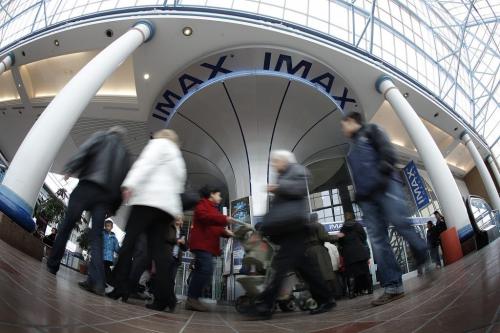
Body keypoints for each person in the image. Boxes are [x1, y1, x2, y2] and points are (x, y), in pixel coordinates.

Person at [341, 111, 428, 306]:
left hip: (386, 186)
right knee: (378, 241)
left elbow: (387, 153)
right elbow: (358, 177)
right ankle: (393, 286)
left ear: (352, 121)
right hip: (368, 200)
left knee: (400, 224)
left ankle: (422, 251)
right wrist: (359, 195)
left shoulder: (372, 130)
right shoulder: (351, 151)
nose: (343, 129)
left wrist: (381, 174)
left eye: (343, 124)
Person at [250, 151, 336, 319]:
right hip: (288, 228)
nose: (274, 164)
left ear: (285, 160)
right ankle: (326, 299)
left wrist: (279, 188)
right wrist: (262, 230)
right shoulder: (282, 177)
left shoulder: (297, 170)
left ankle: (265, 304)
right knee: (304, 267)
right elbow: (276, 211)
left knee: (281, 265)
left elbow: (301, 188)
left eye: (276, 161)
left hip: (294, 226)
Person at [108, 129, 186, 312]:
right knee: (159, 255)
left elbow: (144, 164)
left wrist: (129, 184)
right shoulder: (178, 158)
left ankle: (120, 288)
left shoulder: (157, 144)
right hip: (165, 209)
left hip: (146, 203)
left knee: (128, 245)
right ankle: (166, 298)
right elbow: (179, 186)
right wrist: (176, 212)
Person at [47, 126, 130, 296]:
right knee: (96, 237)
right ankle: (97, 282)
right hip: (104, 197)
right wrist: (113, 207)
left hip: (87, 187)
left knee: (67, 224)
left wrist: (71, 167)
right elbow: (123, 182)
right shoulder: (125, 153)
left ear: (111, 132)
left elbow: (85, 151)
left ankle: (53, 265)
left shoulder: (101, 135)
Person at [186, 186, 235, 312]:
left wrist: (226, 233)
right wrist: (224, 219)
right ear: (211, 194)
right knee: (205, 269)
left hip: (206, 245)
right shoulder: (202, 205)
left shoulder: (213, 209)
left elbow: (214, 228)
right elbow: (205, 218)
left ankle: (192, 299)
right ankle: (192, 299)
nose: (220, 197)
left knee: (203, 271)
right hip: (201, 244)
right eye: (218, 195)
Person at [305, 213, 341, 298]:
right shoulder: (318, 225)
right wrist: (336, 236)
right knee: (326, 274)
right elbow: (324, 237)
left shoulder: (305, 228)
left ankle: (319, 296)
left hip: (308, 252)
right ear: (317, 218)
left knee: (316, 275)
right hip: (319, 251)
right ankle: (328, 296)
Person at [337, 212, 371, 299]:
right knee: (365, 271)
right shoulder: (358, 225)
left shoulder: (343, 229)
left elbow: (340, 242)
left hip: (349, 255)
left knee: (351, 275)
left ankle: (351, 293)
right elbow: (364, 237)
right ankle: (370, 289)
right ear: (353, 217)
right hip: (360, 252)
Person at [103, 219, 120, 285]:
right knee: (103, 269)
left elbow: (116, 248)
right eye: (106, 226)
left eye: (109, 226)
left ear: (112, 227)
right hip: (102, 256)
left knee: (106, 269)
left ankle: (109, 280)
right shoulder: (103, 235)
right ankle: (105, 281)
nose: (107, 227)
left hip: (109, 258)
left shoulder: (114, 238)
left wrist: (120, 251)